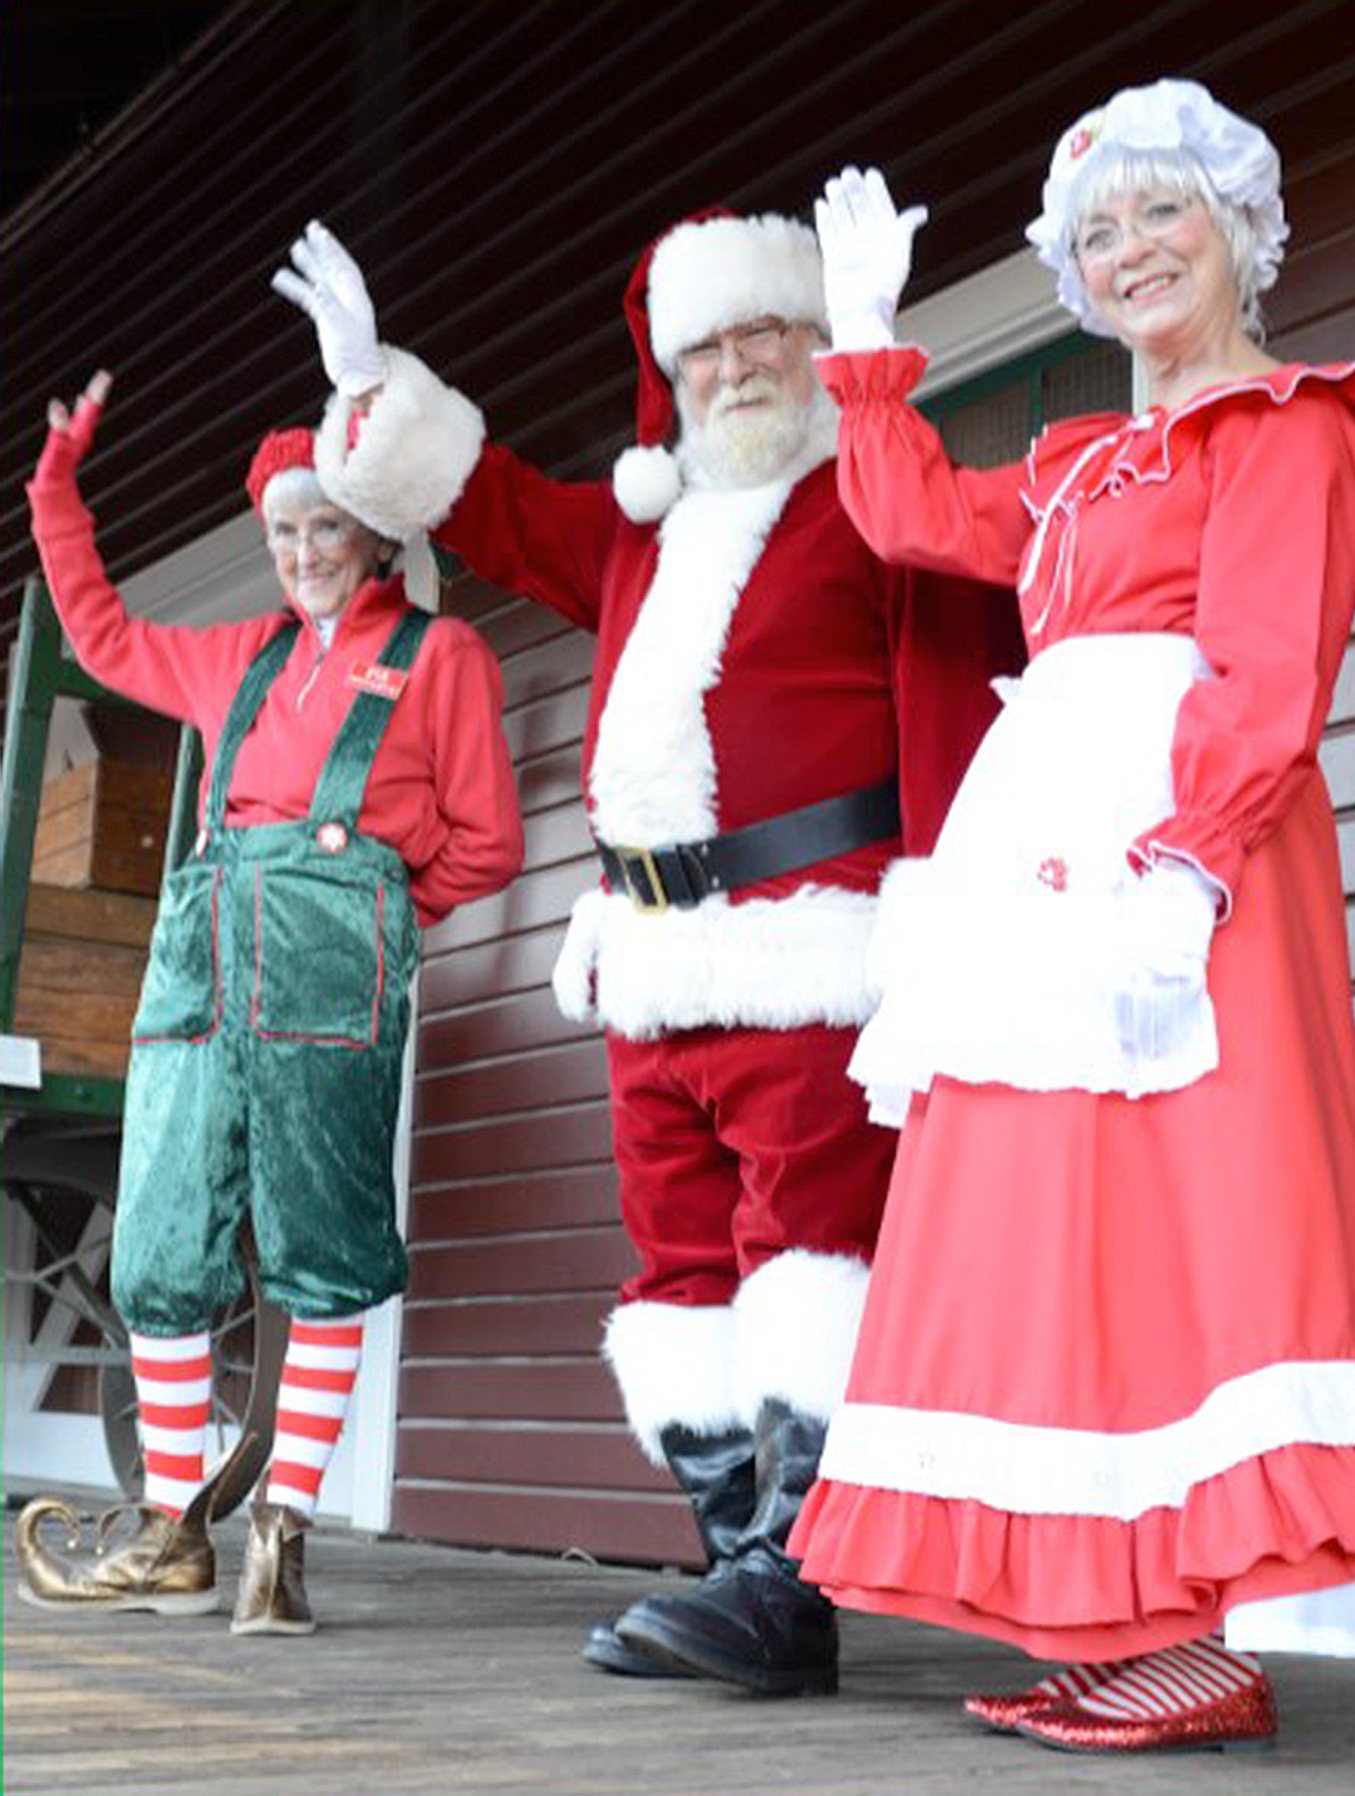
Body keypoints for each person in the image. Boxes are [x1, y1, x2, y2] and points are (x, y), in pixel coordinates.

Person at [272, 212, 1022, 1693]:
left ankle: (787, 1585)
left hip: (814, 948)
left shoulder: (874, 502)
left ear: (814, 348)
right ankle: (740, 1567)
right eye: (708, 347)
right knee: (680, 1271)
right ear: (671, 370)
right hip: (648, 960)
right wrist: (368, 386)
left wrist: (939, 918)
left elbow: (953, 717)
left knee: (807, 1257)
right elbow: (478, 504)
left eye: (764, 335)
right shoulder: (639, 528)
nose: (737, 366)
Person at [786, 79, 1355, 1752]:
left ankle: (1214, 1639)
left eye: (1163, 210)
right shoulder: (1084, 464)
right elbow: (917, 516)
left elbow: (1269, 667)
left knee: (1193, 1211)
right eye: (1098, 230)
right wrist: (866, 339)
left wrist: (1189, 872)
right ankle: (1128, 1617)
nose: (1132, 248)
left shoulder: (1289, 426)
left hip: (1179, 863)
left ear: (1238, 227)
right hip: (1046, 865)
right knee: (1062, 1217)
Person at [17, 372, 523, 1634]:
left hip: (327, 961)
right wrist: (54, 491)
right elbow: (99, 635)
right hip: (202, 958)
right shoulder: (240, 656)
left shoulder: (439, 654)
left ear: (377, 535)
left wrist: (383, 917)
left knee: (325, 1246)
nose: (303, 554)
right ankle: (177, 1531)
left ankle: (280, 1537)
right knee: (161, 1238)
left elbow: (489, 841)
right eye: (285, 531)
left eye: (328, 528)